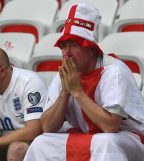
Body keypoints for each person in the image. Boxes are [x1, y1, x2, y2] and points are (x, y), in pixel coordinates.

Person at [23, 2, 144, 161]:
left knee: (106, 143)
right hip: (87, 136)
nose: (67, 53)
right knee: (41, 142)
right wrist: (65, 93)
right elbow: (47, 127)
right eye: (64, 46)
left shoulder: (114, 71)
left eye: (74, 45)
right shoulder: (65, 74)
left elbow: (110, 126)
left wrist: (77, 91)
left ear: (92, 49)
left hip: (128, 137)